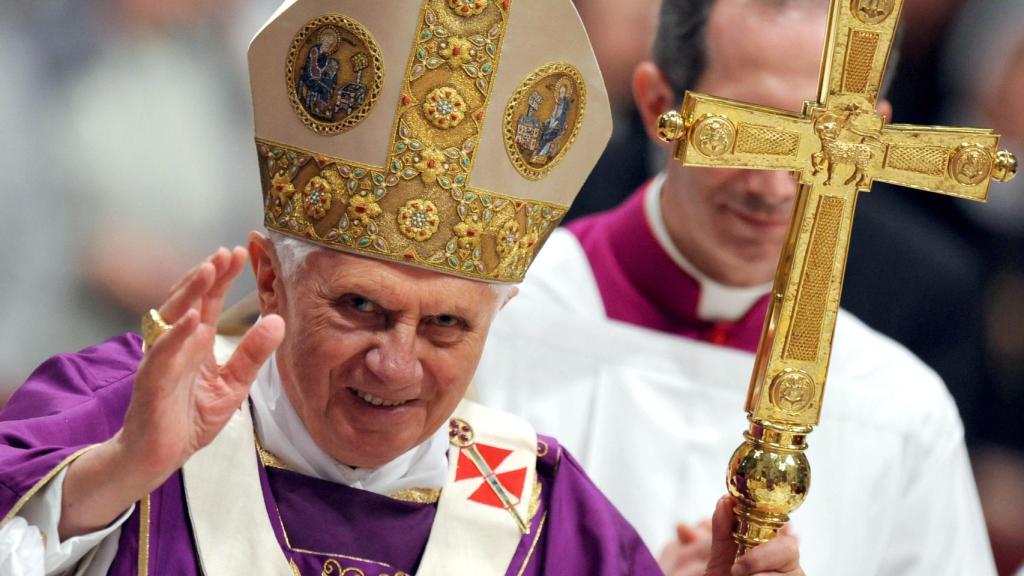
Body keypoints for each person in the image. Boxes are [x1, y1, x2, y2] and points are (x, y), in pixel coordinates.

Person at [0, 0, 806, 574]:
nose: (394, 365)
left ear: (500, 317)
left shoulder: (549, 516)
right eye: (361, 308)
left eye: (446, 326)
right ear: (272, 279)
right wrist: (113, 477)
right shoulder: (121, 404)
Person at [473, 0, 997, 575]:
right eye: (751, 130)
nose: (770, 189)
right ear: (655, 105)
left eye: (819, 140)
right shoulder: (491, 322)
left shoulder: (902, 408)